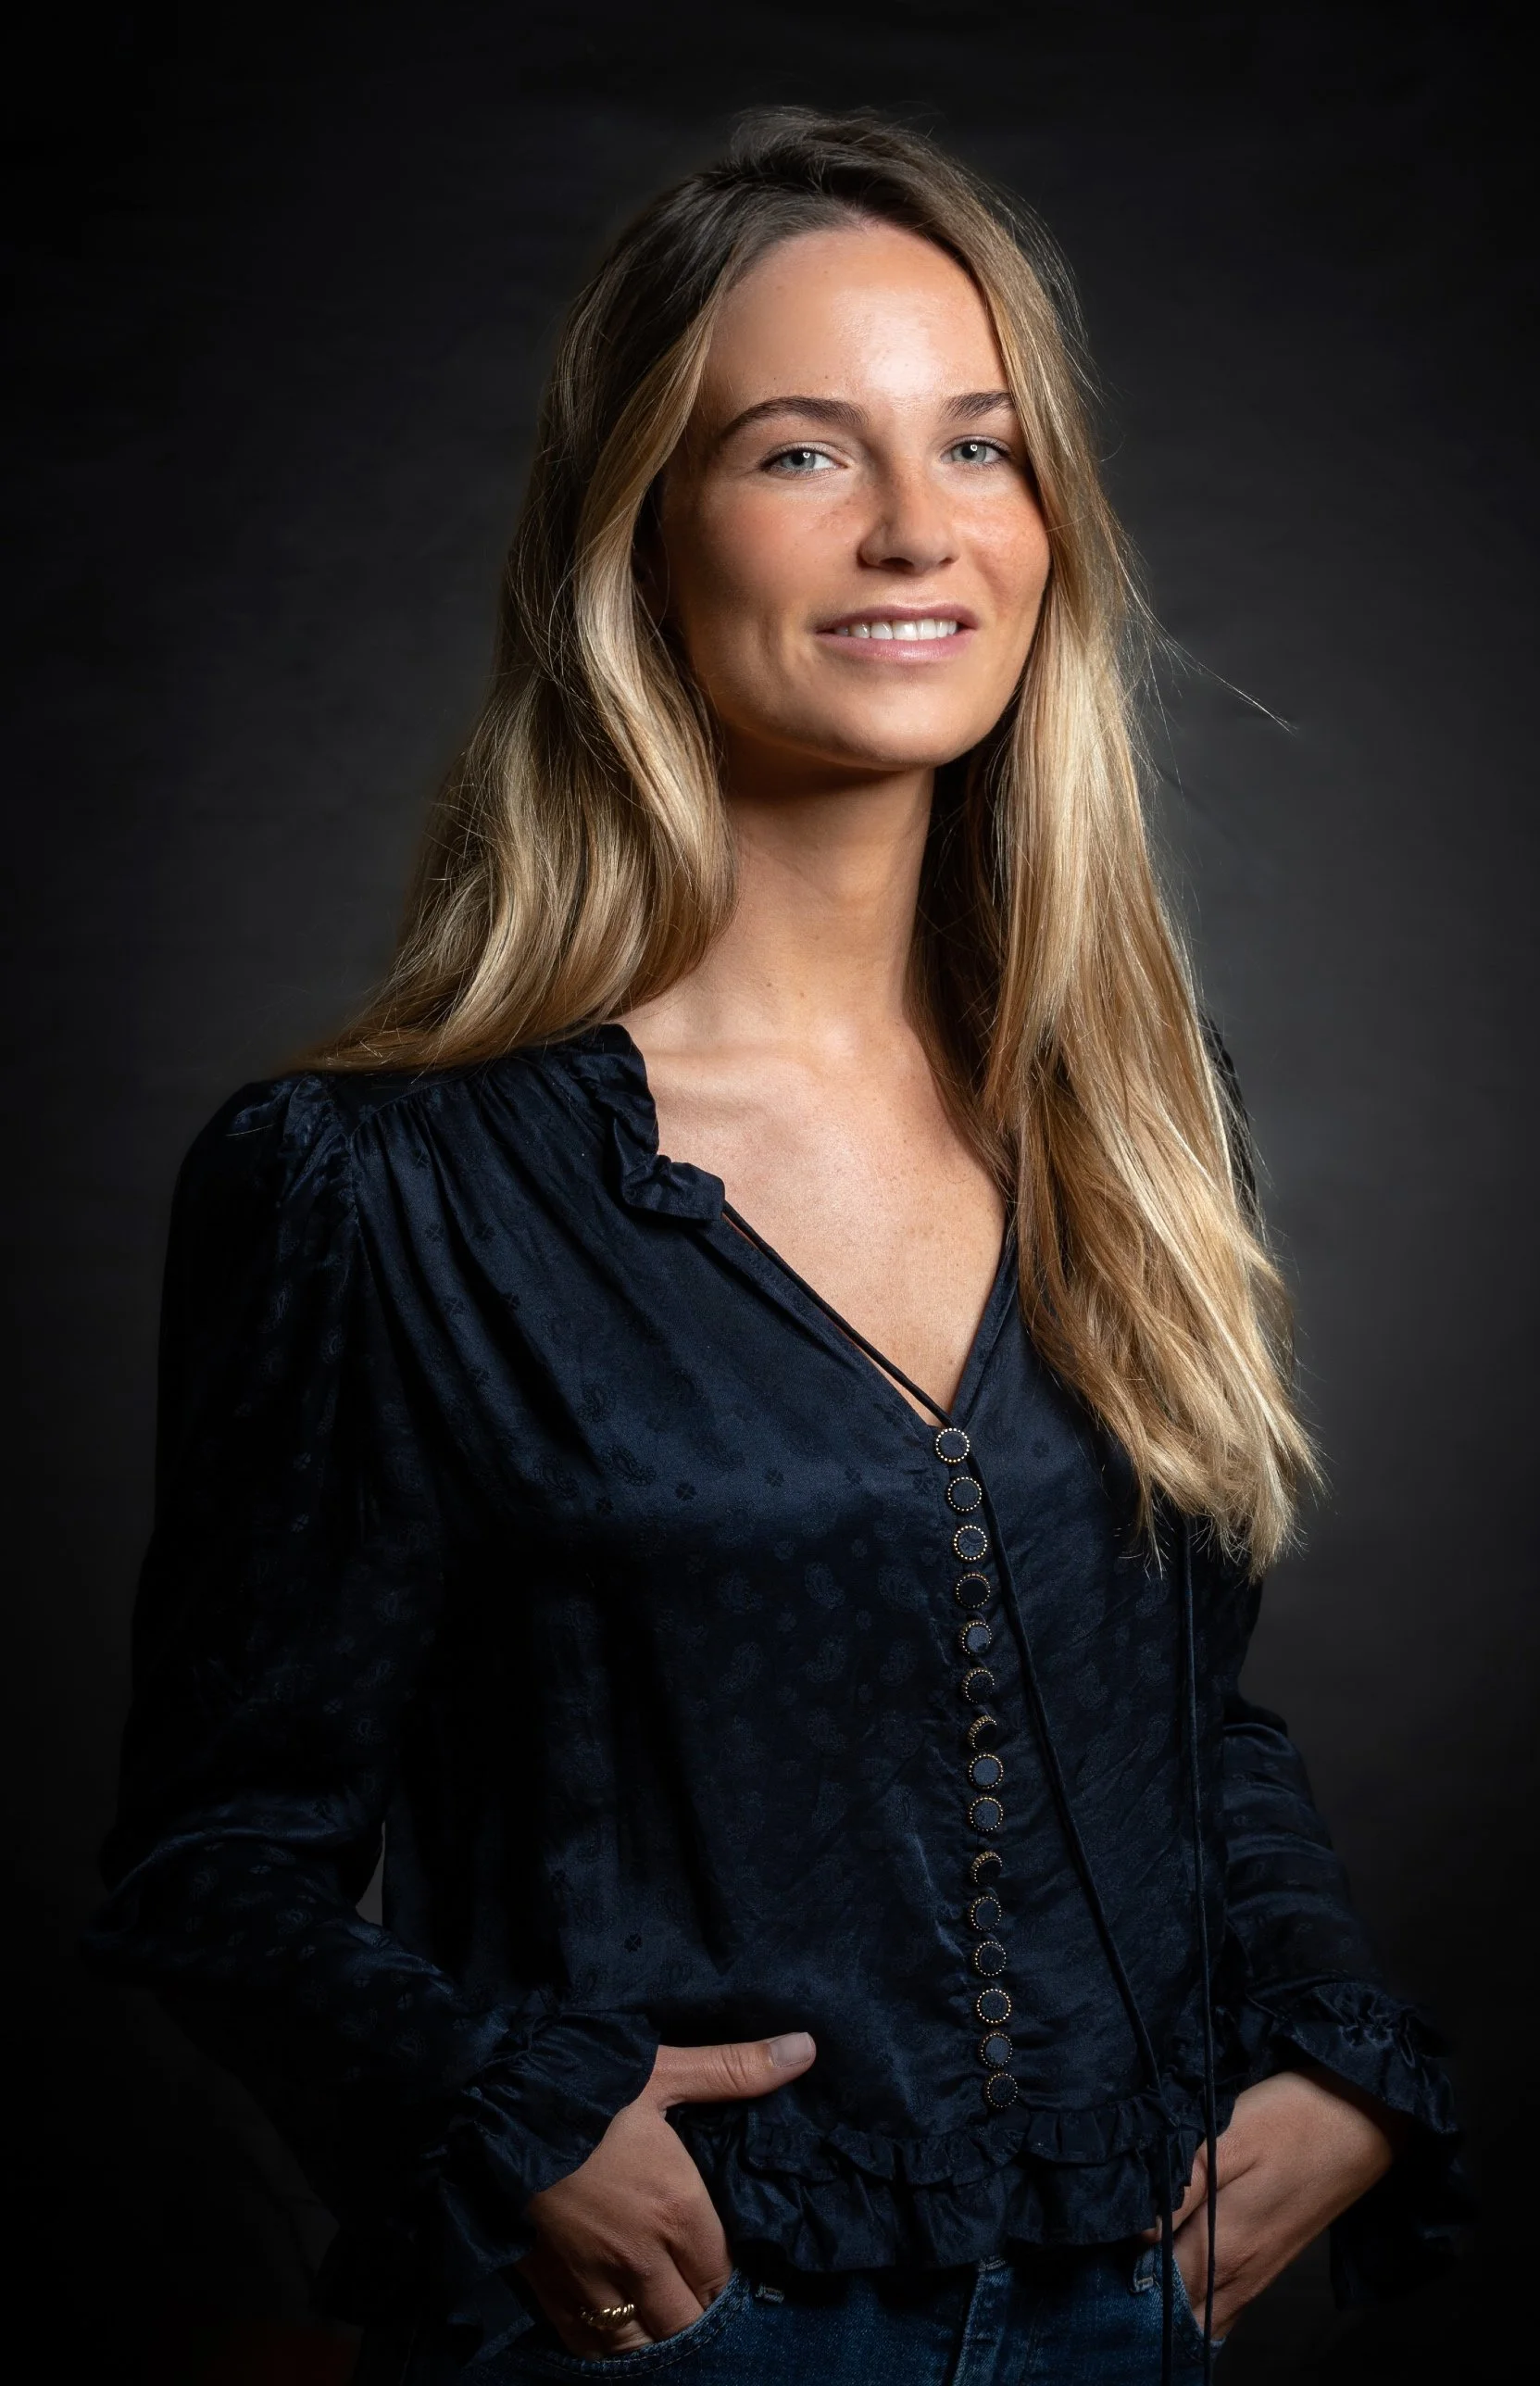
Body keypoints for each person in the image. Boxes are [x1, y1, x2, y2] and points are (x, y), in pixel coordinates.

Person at [86, 110, 1465, 2385]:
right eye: (806, 453)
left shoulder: (1127, 1116)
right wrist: (489, 2109)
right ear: (640, 531)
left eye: (985, 449)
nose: (921, 529)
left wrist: (1327, 2044)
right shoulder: (378, 1186)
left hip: (1130, 2319)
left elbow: (1173, 1715)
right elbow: (211, 1855)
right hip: (667, 2334)